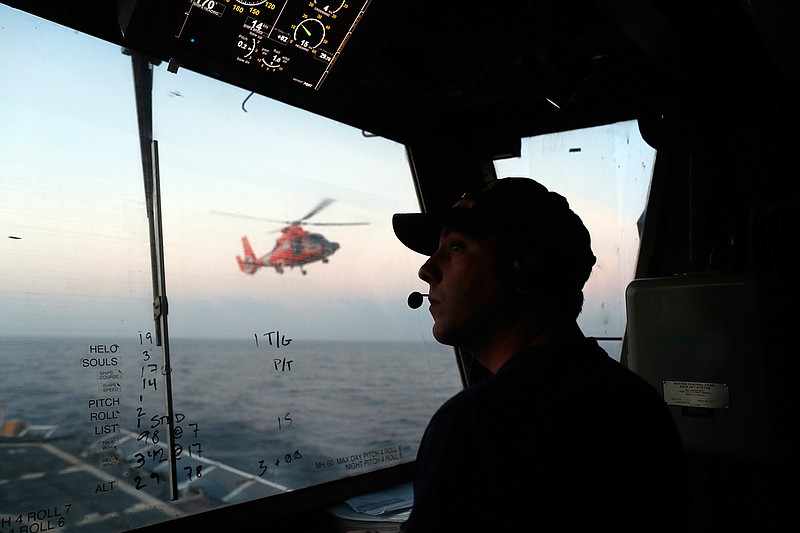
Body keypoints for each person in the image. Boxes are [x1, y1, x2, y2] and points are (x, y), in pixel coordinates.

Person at [392, 177, 687, 532]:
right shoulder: (637, 400)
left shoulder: (480, 424)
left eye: (456, 248)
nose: (426, 269)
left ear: (527, 268)